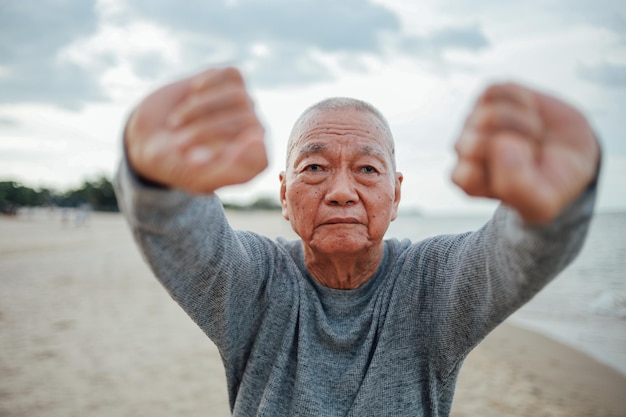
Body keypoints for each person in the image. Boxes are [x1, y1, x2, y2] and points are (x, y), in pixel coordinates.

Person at [114, 67, 600, 416]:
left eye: (367, 169)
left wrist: (554, 205)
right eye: (315, 168)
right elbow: (187, 236)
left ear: (395, 195)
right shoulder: (257, 282)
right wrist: (157, 179)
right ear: (284, 195)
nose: (342, 191)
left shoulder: (431, 283)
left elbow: (509, 256)